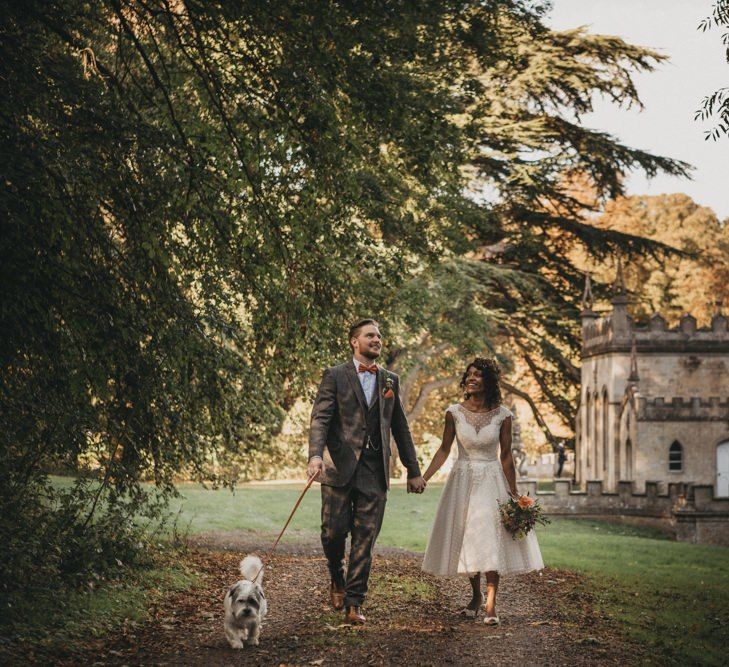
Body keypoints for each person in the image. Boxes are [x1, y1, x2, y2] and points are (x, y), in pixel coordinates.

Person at [308, 319, 427, 625]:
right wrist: (315, 456)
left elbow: (400, 426)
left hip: (375, 471)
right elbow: (321, 418)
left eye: (379, 335)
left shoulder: (390, 380)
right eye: (370, 335)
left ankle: (354, 602)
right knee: (332, 533)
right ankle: (336, 574)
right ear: (354, 341)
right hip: (337, 468)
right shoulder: (334, 375)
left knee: (365, 538)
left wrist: (413, 470)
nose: (377, 339)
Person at [421, 357, 543, 625]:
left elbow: (507, 456)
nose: (472, 378)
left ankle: (491, 605)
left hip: (491, 479)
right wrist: (424, 477)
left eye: (479, 374)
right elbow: (444, 449)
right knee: (469, 536)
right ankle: (475, 595)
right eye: (470, 374)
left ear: (489, 381)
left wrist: (513, 492)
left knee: (490, 537)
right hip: (462, 479)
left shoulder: (503, 415)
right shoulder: (453, 412)